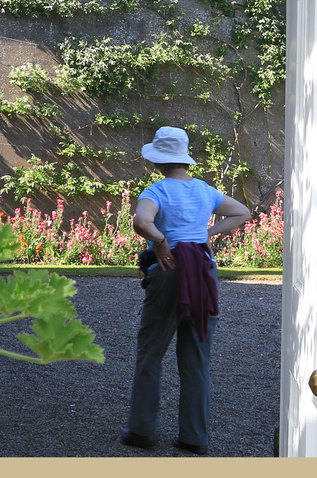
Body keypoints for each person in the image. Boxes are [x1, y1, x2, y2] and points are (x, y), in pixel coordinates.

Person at [119, 126, 252, 456]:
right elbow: (242, 213)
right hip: (203, 271)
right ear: (184, 159)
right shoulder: (205, 191)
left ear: (159, 161)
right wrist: (209, 234)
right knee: (197, 358)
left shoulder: (157, 191)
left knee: (151, 352)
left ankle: (142, 431)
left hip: (169, 271)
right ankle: (194, 437)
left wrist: (162, 241)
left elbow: (140, 221)